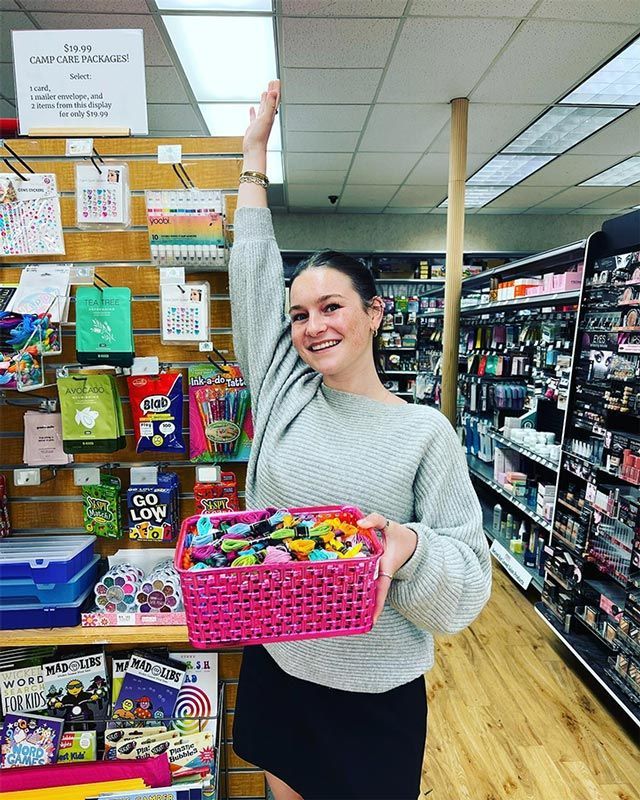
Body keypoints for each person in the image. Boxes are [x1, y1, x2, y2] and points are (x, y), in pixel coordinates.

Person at [230, 80, 492, 800]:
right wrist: (254, 157)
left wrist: (408, 548)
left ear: (373, 314)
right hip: (281, 666)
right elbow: (252, 279)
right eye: (300, 314)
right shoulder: (284, 391)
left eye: (332, 306)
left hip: (377, 689)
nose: (314, 325)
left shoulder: (423, 434)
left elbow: (467, 588)